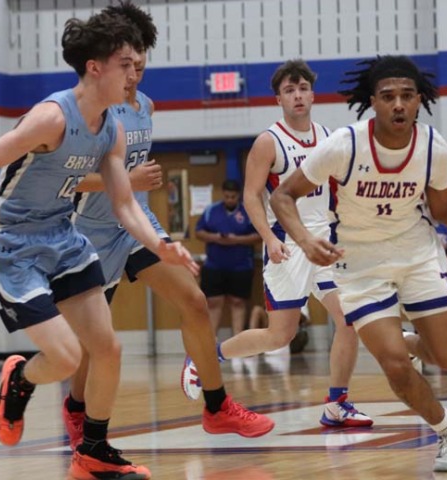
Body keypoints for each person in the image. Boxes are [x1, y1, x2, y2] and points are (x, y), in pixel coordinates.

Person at [268, 55, 447, 472]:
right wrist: (305, 240)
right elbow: (282, 196)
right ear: (373, 102)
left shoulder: (432, 147)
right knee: (395, 367)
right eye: (388, 97)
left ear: (420, 100)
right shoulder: (345, 145)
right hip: (359, 264)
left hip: (418, 255)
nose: (398, 104)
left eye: (407, 96)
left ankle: (395, 334)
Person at [0, 11, 197, 480]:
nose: (133, 74)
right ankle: (19, 379)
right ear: (94, 67)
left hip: (64, 238)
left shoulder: (111, 130)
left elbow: (124, 203)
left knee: (107, 349)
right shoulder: (51, 117)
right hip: (15, 244)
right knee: (66, 356)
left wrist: (161, 245)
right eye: (124, 64)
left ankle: (93, 451)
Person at [64, 0, 274, 454]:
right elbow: (70, 179)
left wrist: (133, 187)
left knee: (194, 300)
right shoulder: (89, 110)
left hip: (136, 224)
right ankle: (77, 410)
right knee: (91, 344)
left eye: (141, 58)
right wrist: (127, 179)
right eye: (127, 60)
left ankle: (217, 406)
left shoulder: (146, 106)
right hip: (91, 233)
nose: (136, 68)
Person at [182, 59, 372, 428]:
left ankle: (337, 404)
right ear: (279, 99)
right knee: (279, 336)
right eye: (289, 90)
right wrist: (268, 238)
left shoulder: (329, 137)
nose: (297, 95)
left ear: (312, 95)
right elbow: (252, 196)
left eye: (303, 88)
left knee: (348, 319)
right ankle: (204, 359)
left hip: (325, 242)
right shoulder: (268, 142)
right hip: (287, 244)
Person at [195, 178, 261, 336]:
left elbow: (259, 235)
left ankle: (238, 340)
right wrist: (216, 238)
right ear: (223, 194)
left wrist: (237, 240)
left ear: (238, 195)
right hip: (214, 266)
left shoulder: (248, 211)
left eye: (233, 197)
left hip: (241, 266)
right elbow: (199, 232)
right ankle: (211, 342)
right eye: (227, 196)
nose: (230, 199)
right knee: (213, 302)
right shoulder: (211, 210)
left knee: (238, 302)